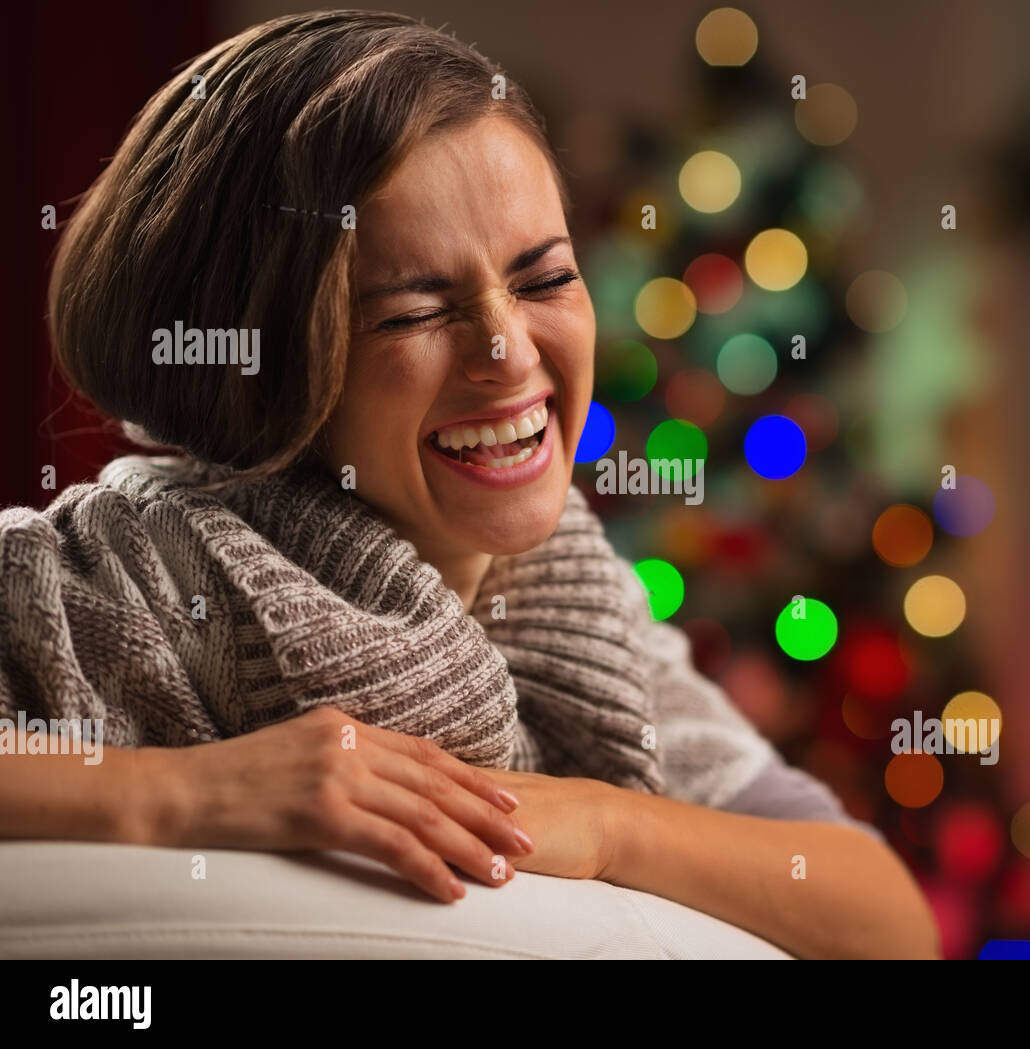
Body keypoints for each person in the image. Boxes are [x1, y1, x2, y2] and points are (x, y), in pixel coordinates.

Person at [0, 10, 938, 960]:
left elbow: (886, 921)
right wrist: (197, 791)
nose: (507, 351)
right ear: (260, 366)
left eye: (544, 281)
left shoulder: (580, 615)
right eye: (415, 311)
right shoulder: (120, 579)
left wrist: (607, 825)